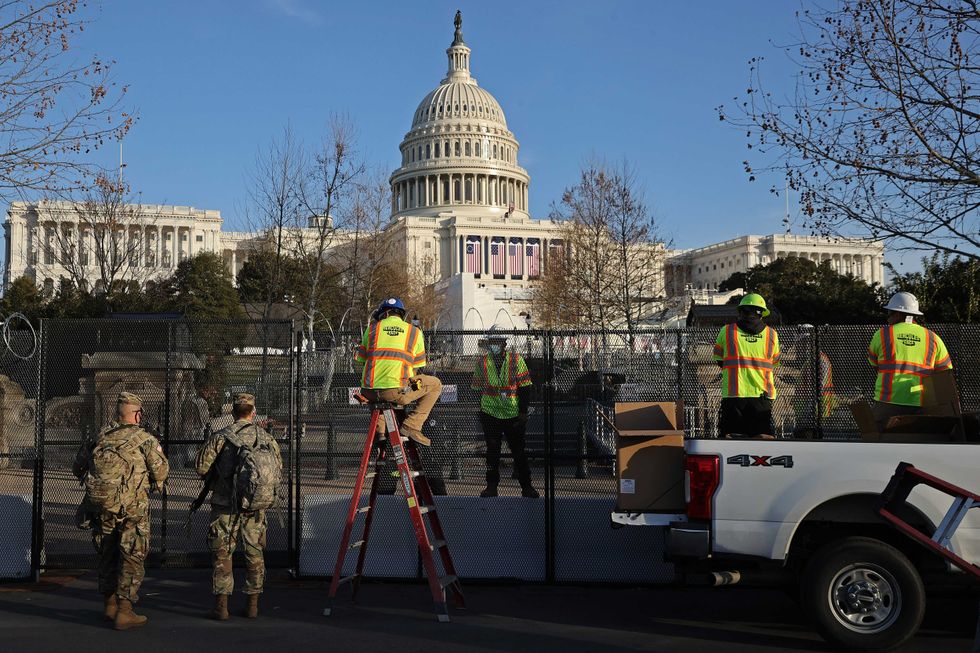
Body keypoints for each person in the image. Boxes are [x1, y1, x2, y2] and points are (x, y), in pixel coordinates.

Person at [72, 392, 169, 630]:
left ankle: (109, 604)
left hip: (103, 506)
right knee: (131, 554)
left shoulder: (101, 437)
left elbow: (78, 467)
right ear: (137, 414)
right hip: (133, 508)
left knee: (107, 552)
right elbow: (161, 473)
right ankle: (125, 610)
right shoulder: (145, 440)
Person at [195, 393, 282, 621]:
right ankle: (252, 605)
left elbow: (201, 468)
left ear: (233, 413)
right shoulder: (266, 438)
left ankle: (221, 607)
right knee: (254, 553)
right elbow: (278, 469)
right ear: (253, 412)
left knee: (223, 554)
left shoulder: (221, 437)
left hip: (225, 505)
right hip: (255, 506)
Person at [354, 297, 442, 446]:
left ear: (385, 314)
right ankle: (412, 425)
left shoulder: (372, 329)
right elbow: (417, 367)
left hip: (368, 392)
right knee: (435, 384)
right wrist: (409, 386)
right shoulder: (414, 332)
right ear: (401, 314)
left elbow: (360, 361)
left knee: (380, 394)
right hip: (396, 391)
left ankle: (380, 431)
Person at [867, 291, 952, 430]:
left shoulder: (882, 334)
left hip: (887, 401)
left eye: (889, 313)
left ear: (899, 314)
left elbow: (873, 363)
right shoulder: (933, 338)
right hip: (922, 402)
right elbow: (945, 373)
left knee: (877, 437)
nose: (888, 318)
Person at [472, 327, 537, 498]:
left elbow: (525, 387)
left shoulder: (516, 360)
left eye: (496, 342)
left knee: (519, 452)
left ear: (504, 343)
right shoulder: (483, 362)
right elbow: (476, 388)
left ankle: (527, 486)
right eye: (491, 342)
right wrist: (479, 409)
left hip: (512, 413)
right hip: (490, 413)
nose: (493, 345)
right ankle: (491, 487)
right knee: (492, 452)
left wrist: (522, 411)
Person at [712, 293, 781, 438]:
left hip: (733, 396)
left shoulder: (727, 331)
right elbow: (774, 363)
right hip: (761, 396)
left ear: (740, 311)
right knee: (761, 439)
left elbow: (719, 359)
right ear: (761, 313)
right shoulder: (772, 335)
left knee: (731, 438)